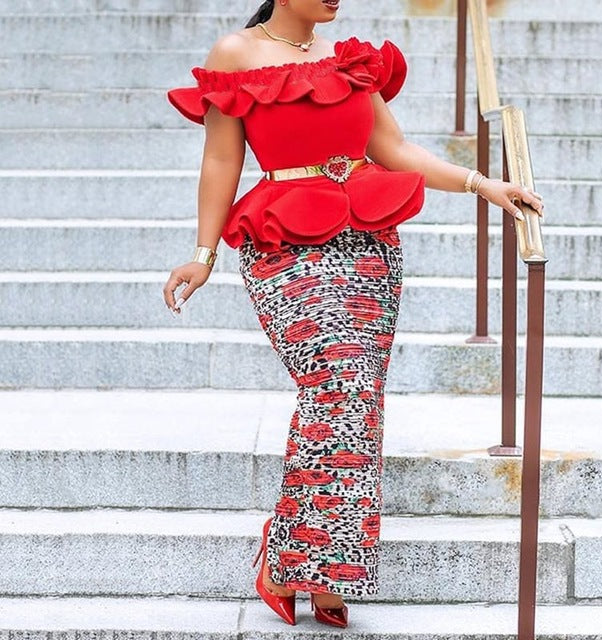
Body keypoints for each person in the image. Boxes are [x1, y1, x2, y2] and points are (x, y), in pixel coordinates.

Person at [163, 0, 544, 629]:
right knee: (333, 388)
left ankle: (321, 569)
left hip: (367, 243)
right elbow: (221, 159)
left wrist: (483, 185)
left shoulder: (351, 61)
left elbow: (392, 148)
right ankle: (292, 559)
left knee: (357, 403)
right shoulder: (236, 53)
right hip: (283, 243)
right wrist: (203, 255)